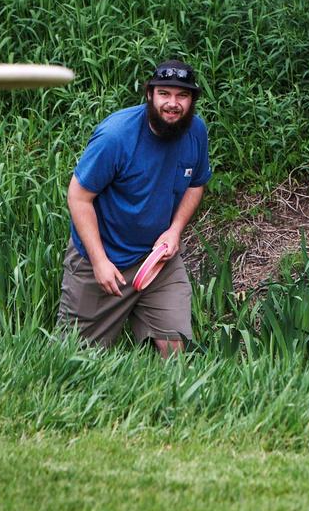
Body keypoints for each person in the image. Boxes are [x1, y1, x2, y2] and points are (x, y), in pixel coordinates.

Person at [57, 59, 211, 358]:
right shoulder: (116, 136)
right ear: (150, 94)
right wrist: (99, 261)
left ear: (192, 100)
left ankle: (174, 401)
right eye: (164, 93)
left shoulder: (196, 132)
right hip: (102, 258)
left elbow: (196, 183)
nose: (173, 103)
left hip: (157, 259)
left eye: (182, 96)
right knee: (74, 358)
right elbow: (78, 196)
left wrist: (174, 230)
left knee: (175, 347)